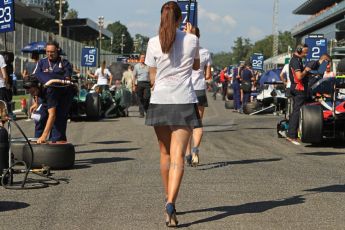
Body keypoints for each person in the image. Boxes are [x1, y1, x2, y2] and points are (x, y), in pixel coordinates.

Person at [144, 1, 200, 227]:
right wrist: (191, 35)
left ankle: (168, 198)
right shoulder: (192, 39)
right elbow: (196, 67)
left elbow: (152, 75)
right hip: (183, 100)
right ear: (179, 20)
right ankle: (170, 203)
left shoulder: (153, 42)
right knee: (178, 156)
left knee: (165, 155)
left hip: (160, 100)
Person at [30, 41, 74, 144]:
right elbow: (35, 83)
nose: (50, 54)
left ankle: (57, 147)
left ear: (58, 50)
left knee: (58, 124)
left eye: (52, 52)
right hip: (44, 96)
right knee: (39, 118)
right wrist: (36, 102)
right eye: (47, 51)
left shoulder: (64, 63)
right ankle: (38, 144)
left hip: (61, 98)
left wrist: (52, 79)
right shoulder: (41, 63)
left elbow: (67, 80)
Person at [185, 27, 212, 167]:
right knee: (198, 123)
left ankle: (188, 153)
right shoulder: (205, 52)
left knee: (187, 124)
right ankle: (195, 150)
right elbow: (208, 76)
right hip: (200, 88)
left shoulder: (183, 50)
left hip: (186, 89)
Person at [286, 44, 310, 145]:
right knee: (296, 112)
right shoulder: (295, 61)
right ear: (299, 50)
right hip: (298, 88)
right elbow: (299, 76)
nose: (306, 54)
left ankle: (293, 133)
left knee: (296, 111)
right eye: (305, 52)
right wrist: (306, 70)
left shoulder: (298, 60)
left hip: (296, 87)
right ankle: (292, 135)